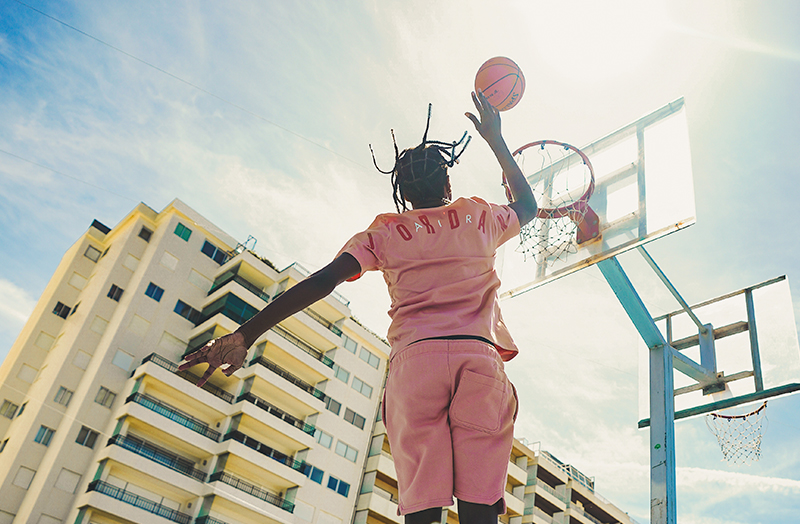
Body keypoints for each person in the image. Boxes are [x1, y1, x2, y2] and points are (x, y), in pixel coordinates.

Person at [179, 90, 537, 524]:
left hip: (414, 365)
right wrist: (497, 142)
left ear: (400, 191)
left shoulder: (383, 231)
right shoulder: (478, 216)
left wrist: (245, 334)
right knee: (480, 509)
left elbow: (323, 281)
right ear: (447, 184)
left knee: (421, 511)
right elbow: (528, 206)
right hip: (476, 356)